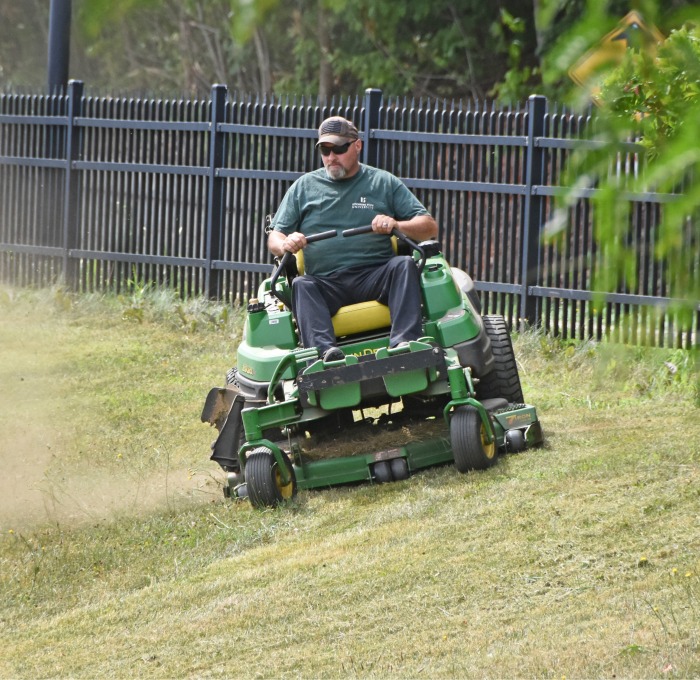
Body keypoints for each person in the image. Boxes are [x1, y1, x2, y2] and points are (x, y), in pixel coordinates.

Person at [267, 116, 438, 362]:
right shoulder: (303, 187)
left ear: (357, 146)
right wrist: (285, 243)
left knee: (403, 265)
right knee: (302, 285)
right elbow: (275, 236)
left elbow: (429, 226)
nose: (331, 156)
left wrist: (396, 224)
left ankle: (404, 345)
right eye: (325, 150)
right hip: (326, 283)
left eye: (339, 148)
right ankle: (324, 355)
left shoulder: (382, 182)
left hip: (375, 276)